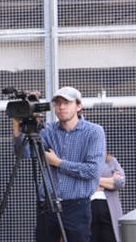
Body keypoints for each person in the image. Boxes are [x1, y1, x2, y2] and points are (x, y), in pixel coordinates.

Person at [11, 86, 105, 242]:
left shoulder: (94, 132)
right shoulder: (48, 130)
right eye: (58, 103)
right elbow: (26, 153)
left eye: (67, 103)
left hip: (77, 205)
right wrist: (17, 129)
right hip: (47, 205)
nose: (61, 107)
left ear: (78, 106)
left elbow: (93, 171)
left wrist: (58, 163)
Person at [91, 153, 125, 242]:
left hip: (108, 208)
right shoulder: (79, 161)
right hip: (87, 206)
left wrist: (93, 180)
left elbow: (120, 182)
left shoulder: (111, 160)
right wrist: (109, 181)